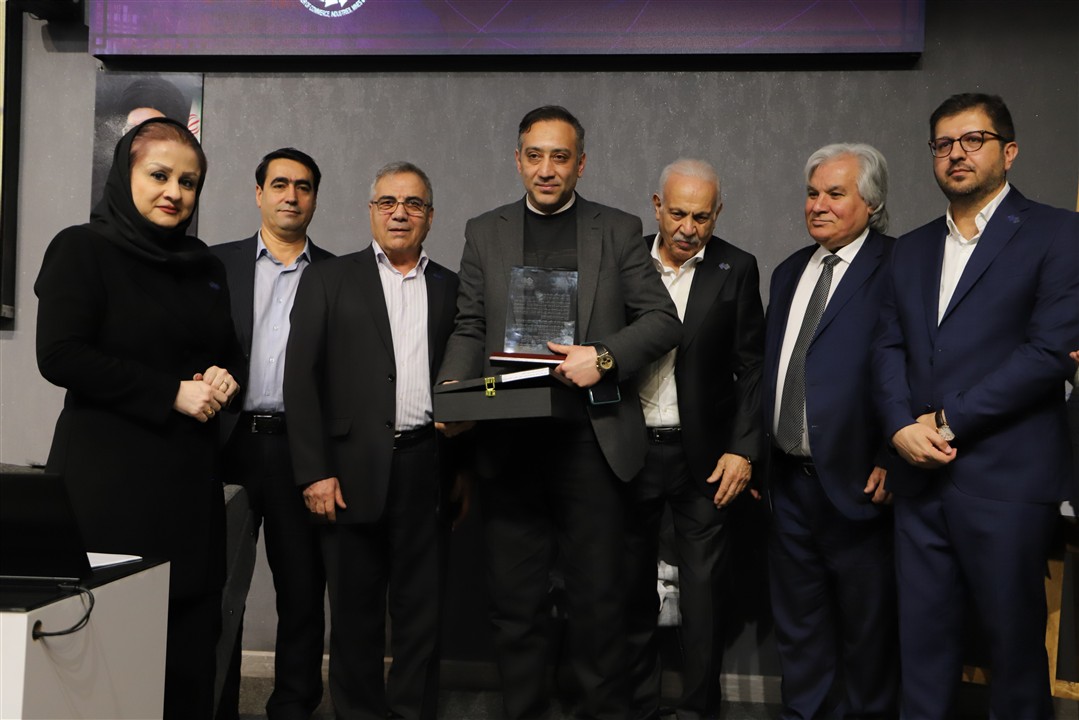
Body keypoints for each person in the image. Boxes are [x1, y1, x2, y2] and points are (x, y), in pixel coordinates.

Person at [435, 105, 681, 720]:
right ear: (518, 160)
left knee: (599, 604)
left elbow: (662, 320)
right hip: (509, 445)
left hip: (592, 446)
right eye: (535, 156)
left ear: (581, 164)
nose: (547, 169)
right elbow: (469, 324)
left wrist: (603, 356)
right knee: (515, 607)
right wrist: (453, 392)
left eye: (561, 156)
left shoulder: (617, 229)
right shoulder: (484, 231)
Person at [873, 93, 1079, 718]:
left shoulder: (1058, 233)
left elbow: (1049, 353)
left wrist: (945, 420)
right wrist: (899, 427)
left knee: (1014, 657)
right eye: (943, 144)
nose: (956, 153)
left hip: (1007, 481)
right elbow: (887, 348)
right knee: (922, 651)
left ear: (1008, 151)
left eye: (973, 140)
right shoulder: (909, 248)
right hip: (918, 481)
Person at [35, 117, 241, 719]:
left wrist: (225, 378)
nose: (174, 192)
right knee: (109, 661)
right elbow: (60, 355)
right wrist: (169, 392)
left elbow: (228, 354)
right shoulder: (82, 247)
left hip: (189, 492)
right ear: (125, 175)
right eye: (159, 175)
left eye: (189, 182)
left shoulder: (205, 265)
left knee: (187, 661)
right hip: (108, 492)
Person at [284, 161, 459, 720]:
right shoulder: (329, 278)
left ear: (430, 216)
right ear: (371, 211)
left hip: (425, 466)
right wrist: (314, 471)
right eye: (388, 202)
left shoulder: (451, 287)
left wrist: (464, 471)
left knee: (421, 613)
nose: (400, 213)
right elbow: (300, 380)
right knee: (354, 615)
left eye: (413, 203)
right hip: (347, 472)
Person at [624, 158, 764, 720]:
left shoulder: (738, 267)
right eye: (677, 213)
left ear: (718, 213)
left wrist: (744, 448)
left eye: (701, 217)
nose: (688, 228)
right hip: (630, 451)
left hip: (705, 457)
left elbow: (752, 368)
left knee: (703, 597)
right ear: (656, 206)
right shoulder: (626, 260)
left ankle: (697, 711)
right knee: (630, 588)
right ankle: (636, 707)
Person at [763, 143, 899, 719]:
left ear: (871, 203)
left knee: (869, 633)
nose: (818, 205)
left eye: (835, 194)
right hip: (788, 484)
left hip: (861, 483)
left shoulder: (901, 266)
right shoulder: (789, 271)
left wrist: (892, 454)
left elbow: (919, 367)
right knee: (799, 629)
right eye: (812, 193)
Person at [211, 148, 334, 720]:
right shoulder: (214, 264)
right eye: (280, 184)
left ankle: (292, 708)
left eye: (303, 186)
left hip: (299, 450)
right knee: (217, 589)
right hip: (225, 445)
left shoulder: (338, 274)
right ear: (259, 193)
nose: (291, 195)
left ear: (315, 198)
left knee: (303, 592)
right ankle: (215, 706)